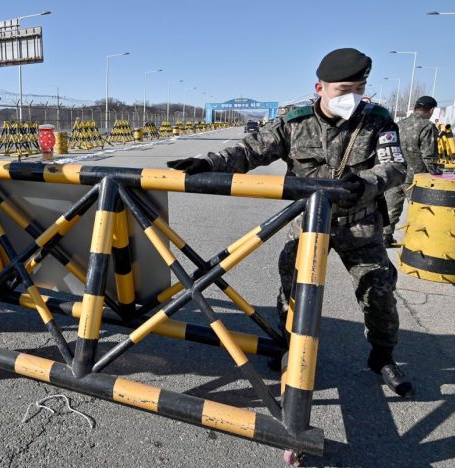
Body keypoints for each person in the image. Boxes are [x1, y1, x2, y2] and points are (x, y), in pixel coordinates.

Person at [166, 48, 414, 398]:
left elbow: (396, 167)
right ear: (320, 88)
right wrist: (208, 163)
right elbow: (250, 151)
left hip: (360, 223)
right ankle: (288, 348)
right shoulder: (295, 124)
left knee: (379, 292)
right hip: (310, 225)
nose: (352, 97)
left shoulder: (378, 122)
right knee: (293, 291)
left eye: (359, 88)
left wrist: (367, 183)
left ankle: (383, 356)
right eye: (344, 90)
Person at [383, 95, 440, 245]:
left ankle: (384, 237)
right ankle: (418, 240)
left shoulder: (399, 124)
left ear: (415, 107)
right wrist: (435, 174)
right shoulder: (427, 126)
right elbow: (429, 154)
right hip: (416, 176)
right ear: (431, 110)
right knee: (420, 209)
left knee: (391, 207)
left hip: (395, 173)